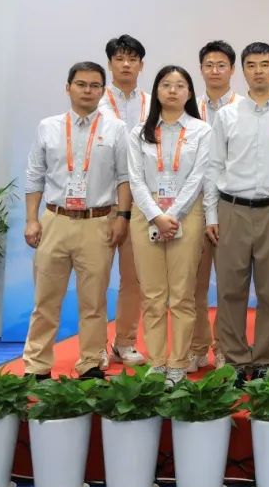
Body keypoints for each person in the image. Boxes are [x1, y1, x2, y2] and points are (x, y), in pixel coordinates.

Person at [23, 62, 130, 379]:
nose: (87, 90)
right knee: (45, 300)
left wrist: (122, 218)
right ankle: (37, 365)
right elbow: (34, 176)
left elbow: (125, 178)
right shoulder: (48, 127)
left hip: (98, 221)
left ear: (102, 91)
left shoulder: (116, 129)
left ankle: (91, 363)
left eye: (95, 85)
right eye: (81, 84)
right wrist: (31, 220)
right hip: (54, 220)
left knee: (93, 301)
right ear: (67, 87)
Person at [204, 42, 269, 383]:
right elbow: (214, 166)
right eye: (251, 65)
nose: (258, 71)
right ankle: (233, 359)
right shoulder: (227, 115)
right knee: (230, 288)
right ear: (242, 70)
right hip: (232, 209)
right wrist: (211, 215)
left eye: (265, 64)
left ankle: (266, 360)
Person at [127, 66, 211, 387]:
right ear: (156, 91)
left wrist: (172, 214)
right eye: (166, 85)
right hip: (146, 214)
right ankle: (157, 361)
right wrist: (156, 215)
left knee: (182, 295)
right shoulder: (139, 133)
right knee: (152, 295)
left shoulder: (201, 131)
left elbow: (198, 177)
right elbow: (135, 179)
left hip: (186, 215)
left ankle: (178, 362)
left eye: (180, 85)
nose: (173, 91)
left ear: (189, 92)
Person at [97, 34, 149, 367]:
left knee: (134, 278)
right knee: (96, 278)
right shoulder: (96, 101)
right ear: (110, 63)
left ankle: (125, 342)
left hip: (141, 202)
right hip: (103, 201)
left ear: (141, 65)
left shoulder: (151, 103)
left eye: (132, 59)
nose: (126, 64)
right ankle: (95, 345)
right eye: (120, 58)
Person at [189, 40, 238, 372]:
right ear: (201, 69)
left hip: (231, 205)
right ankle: (196, 346)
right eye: (209, 65)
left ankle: (224, 346)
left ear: (232, 69)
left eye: (221, 65)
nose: (215, 71)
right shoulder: (189, 108)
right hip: (192, 204)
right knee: (193, 282)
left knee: (230, 284)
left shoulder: (244, 109)